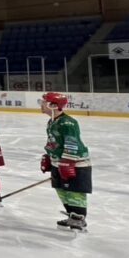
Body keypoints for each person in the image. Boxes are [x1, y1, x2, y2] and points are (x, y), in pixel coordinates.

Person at [39, 92, 92, 232]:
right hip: (59, 162)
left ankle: (79, 219)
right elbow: (54, 142)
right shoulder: (52, 121)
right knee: (62, 190)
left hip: (75, 163)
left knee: (74, 191)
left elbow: (72, 144)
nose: (41, 105)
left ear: (53, 105)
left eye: (44, 102)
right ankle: (72, 215)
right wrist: (49, 156)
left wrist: (68, 162)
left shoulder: (68, 123)